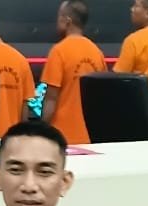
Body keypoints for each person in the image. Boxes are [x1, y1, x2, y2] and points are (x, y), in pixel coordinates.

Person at [42, 0, 107, 145]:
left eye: (59, 17)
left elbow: (51, 99)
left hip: (61, 136)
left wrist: (41, 129)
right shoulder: (97, 53)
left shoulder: (59, 51)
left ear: (67, 21)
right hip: (90, 136)